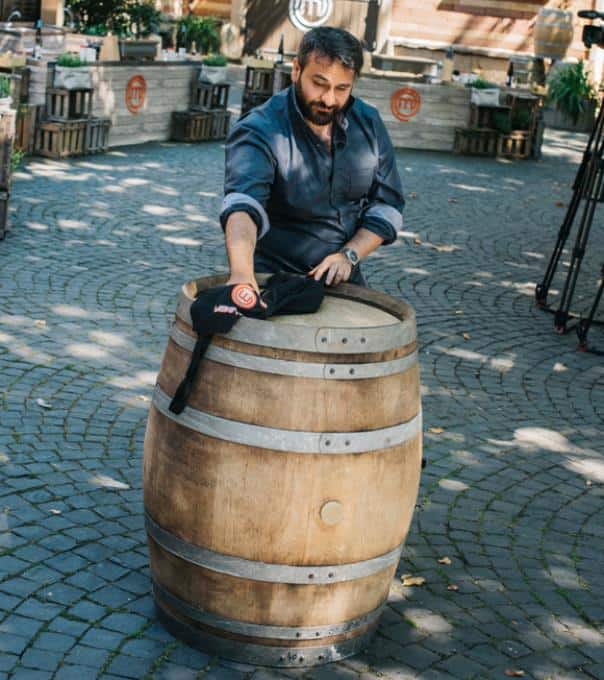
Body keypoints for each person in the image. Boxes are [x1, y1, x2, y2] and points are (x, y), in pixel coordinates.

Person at [220, 27, 404, 291]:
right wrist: (241, 275)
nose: (329, 99)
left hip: (342, 273)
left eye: (342, 88)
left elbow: (388, 205)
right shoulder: (259, 128)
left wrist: (349, 255)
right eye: (319, 84)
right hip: (273, 277)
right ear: (296, 70)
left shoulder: (369, 122)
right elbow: (243, 205)